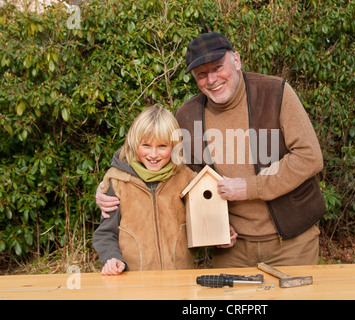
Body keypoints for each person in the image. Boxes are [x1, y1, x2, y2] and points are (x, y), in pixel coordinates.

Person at [96, 32, 326, 268]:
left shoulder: (275, 92)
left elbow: (309, 157)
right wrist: (111, 184)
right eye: (202, 74)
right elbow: (157, 161)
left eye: (218, 67)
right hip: (231, 247)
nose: (212, 79)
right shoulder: (187, 115)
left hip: (292, 241)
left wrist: (249, 187)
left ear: (236, 60)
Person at [93, 104, 199, 275]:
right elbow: (106, 233)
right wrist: (112, 258)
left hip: (179, 279)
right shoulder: (118, 182)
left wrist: (221, 233)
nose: (154, 154)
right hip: (134, 281)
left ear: (175, 146)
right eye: (146, 145)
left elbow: (204, 222)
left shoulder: (186, 178)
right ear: (135, 144)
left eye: (162, 146)